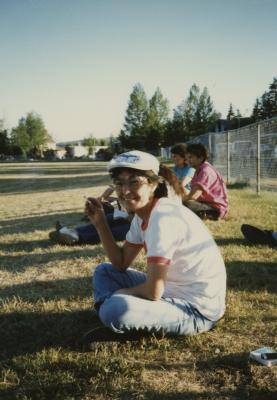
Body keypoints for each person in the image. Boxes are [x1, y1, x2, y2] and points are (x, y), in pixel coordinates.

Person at [83, 150, 226, 347]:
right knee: (104, 272)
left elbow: (153, 291)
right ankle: (122, 320)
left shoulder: (162, 218)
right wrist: (100, 223)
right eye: (119, 183)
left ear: (153, 184)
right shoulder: (143, 213)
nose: (124, 191)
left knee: (114, 308)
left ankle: (119, 321)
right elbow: (120, 263)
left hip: (197, 310)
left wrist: (122, 293)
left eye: (134, 182)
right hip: (172, 289)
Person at [49, 185, 131, 245]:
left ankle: (78, 238)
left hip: (136, 224)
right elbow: (108, 197)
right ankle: (73, 232)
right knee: (108, 218)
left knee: (116, 231)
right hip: (128, 216)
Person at [183, 143, 228, 220]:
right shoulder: (198, 170)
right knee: (183, 204)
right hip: (206, 205)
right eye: (187, 158)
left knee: (185, 205)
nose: (187, 160)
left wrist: (178, 200)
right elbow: (190, 191)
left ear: (200, 158)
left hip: (215, 209)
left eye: (190, 157)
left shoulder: (205, 171)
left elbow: (193, 196)